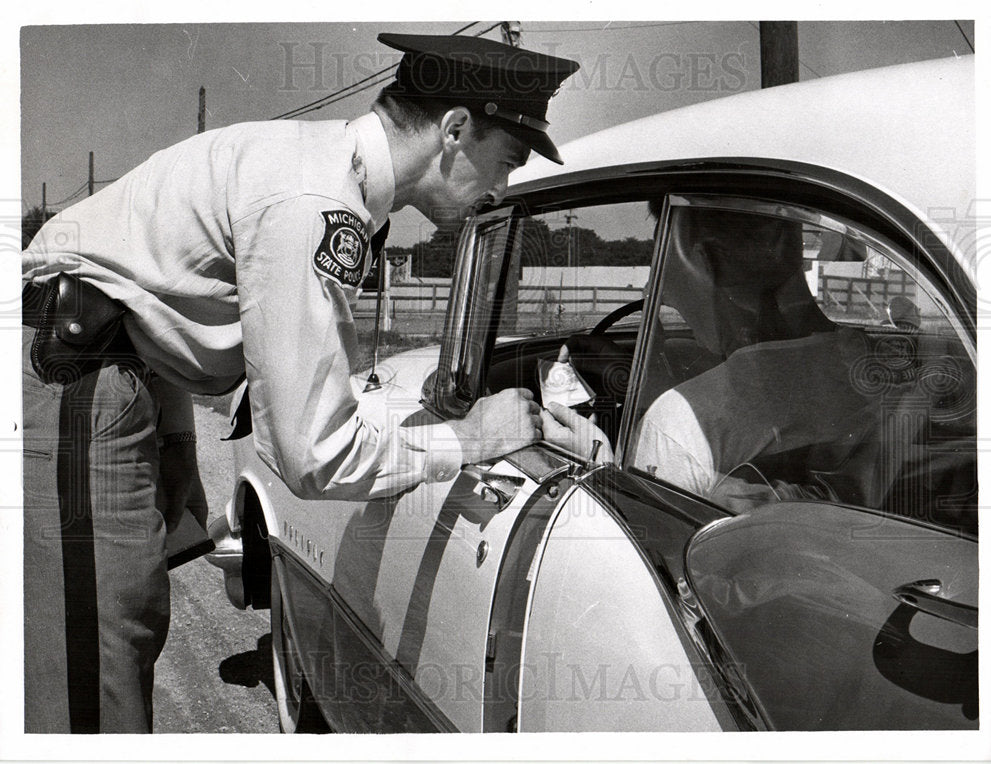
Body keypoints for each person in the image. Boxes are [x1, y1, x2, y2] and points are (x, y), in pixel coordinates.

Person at [21, 32, 579, 732]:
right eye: (506, 160)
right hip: (69, 375)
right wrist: (468, 438)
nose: (501, 188)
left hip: (101, 366)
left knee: (114, 640)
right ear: (455, 130)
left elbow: (146, 285)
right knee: (88, 684)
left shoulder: (320, 168)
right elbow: (312, 455)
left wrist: (173, 445)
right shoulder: (318, 199)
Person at [542, 206, 881, 510]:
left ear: (702, 259)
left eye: (662, 257)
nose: (653, 288)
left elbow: (642, 546)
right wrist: (645, 379)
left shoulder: (678, 423)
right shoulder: (862, 362)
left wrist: (600, 467)